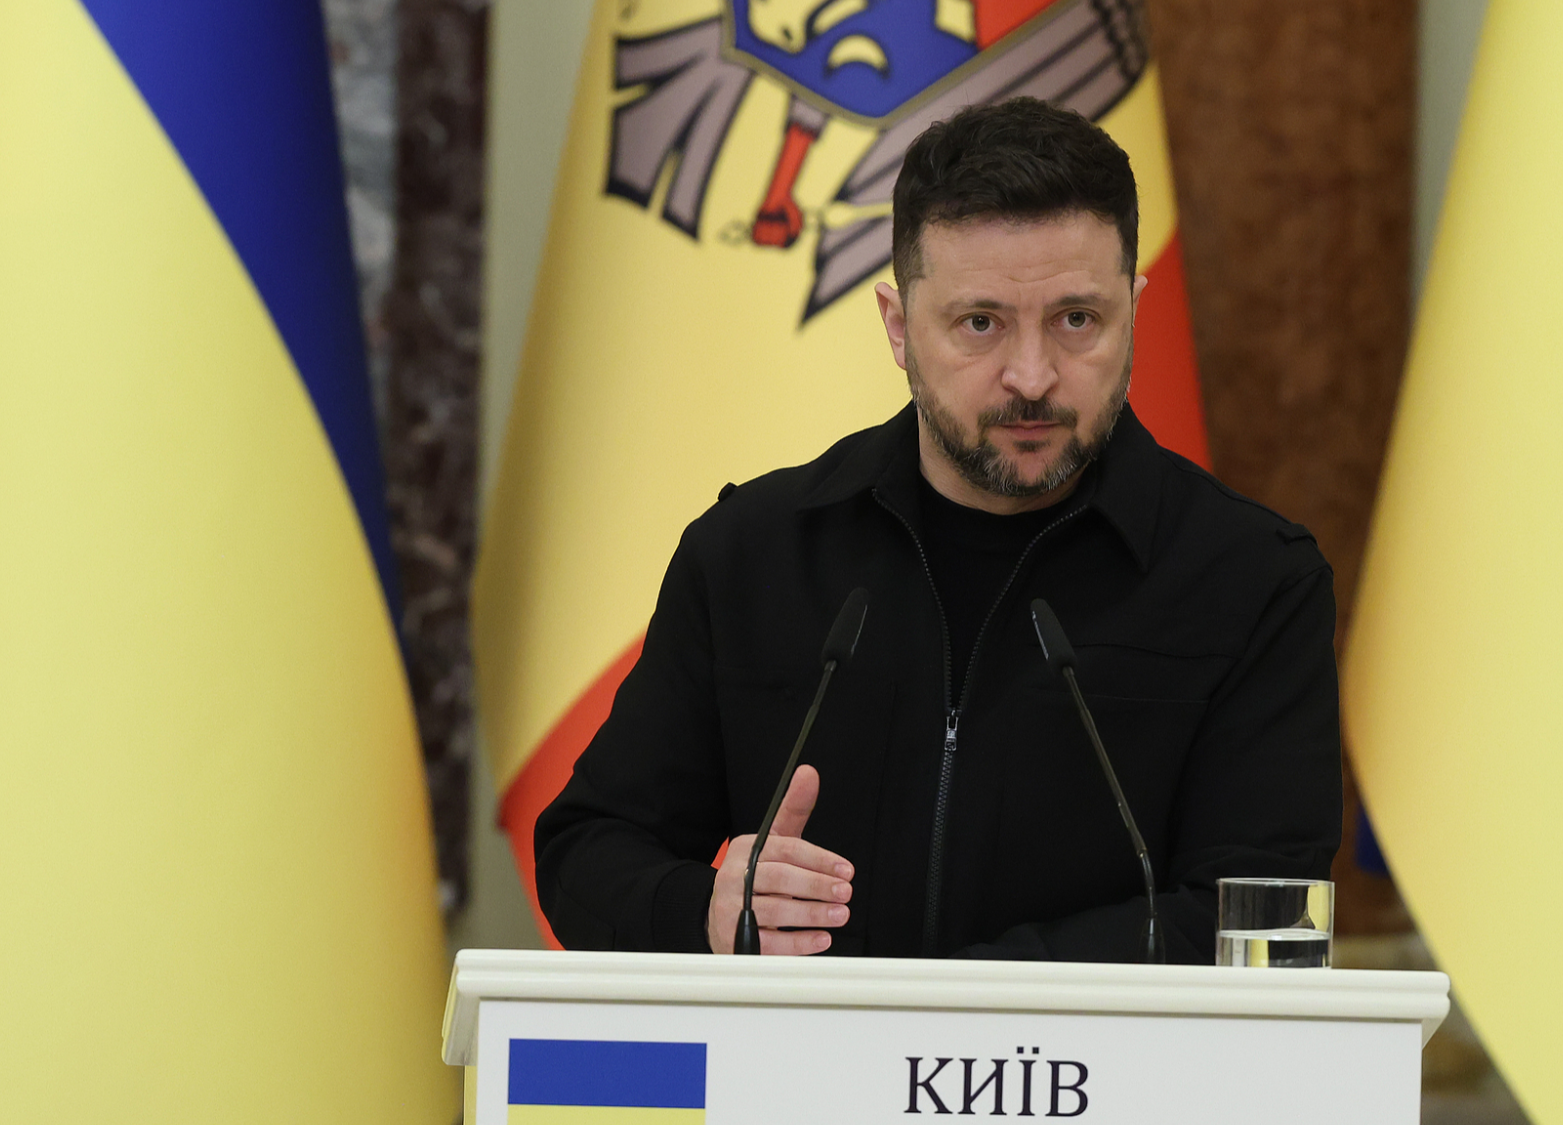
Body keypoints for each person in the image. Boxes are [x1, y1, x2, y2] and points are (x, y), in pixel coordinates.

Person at [534, 97, 1341, 962]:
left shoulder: (1252, 582)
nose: (1031, 376)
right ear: (898, 327)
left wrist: (950, 1005)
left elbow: (1266, 922)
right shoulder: (752, 555)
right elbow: (587, 850)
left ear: (1133, 313)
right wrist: (704, 908)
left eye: (1077, 319)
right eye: (980, 323)